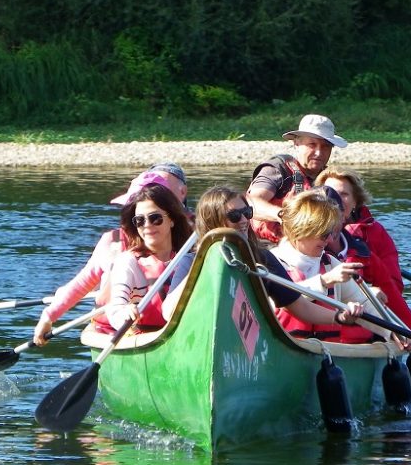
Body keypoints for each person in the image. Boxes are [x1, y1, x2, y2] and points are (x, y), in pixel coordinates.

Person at [161, 185, 364, 327]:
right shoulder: (191, 261)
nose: (243, 220)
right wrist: (207, 260)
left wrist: (339, 317)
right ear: (214, 221)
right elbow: (169, 312)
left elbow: (299, 306)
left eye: (247, 212)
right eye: (234, 216)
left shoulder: (263, 259)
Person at [32, 170, 171, 346]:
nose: (147, 224)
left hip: (162, 326)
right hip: (113, 327)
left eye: (155, 217)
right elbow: (81, 284)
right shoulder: (112, 244)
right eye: (139, 217)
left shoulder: (184, 249)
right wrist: (48, 316)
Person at [318, 186, 411, 368]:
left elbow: (398, 307)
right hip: (319, 339)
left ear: (343, 215)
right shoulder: (301, 253)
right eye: (317, 219)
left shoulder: (366, 256)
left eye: (330, 216)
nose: (324, 226)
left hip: (363, 341)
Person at [269, 190, 394, 344]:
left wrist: (393, 333)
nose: (328, 240)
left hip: (326, 353)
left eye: (330, 233)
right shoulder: (272, 262)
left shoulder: (330, 263)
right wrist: (324, 281)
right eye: (323, 234)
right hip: (282, 347)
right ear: (299, 230)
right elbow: (281, 301)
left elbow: (365, 305)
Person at [101, 183, 193, 332]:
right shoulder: (128, 262)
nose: (147, 225)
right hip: (140, 335)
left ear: (172, 220)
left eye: (155, 218)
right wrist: (124, 313)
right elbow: (116, 307)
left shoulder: (189, 259)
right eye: (140, 220)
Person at [247, 114, 347, 244]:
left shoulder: (331, 179)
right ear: (296, 143)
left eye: (325, 146)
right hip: (270, 248)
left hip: (317, 250)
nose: (319, 152)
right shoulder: (277, 170)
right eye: (312, 144)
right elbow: (251, 202)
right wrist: (284, 216)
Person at [315, 165, 403, 293]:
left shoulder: (375, 232)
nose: (336, 199)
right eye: (330, 192)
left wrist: (371, 293)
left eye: (343, 194)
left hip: (370, 305)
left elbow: (394, 284)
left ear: (355, 201)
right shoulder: (310, 233)